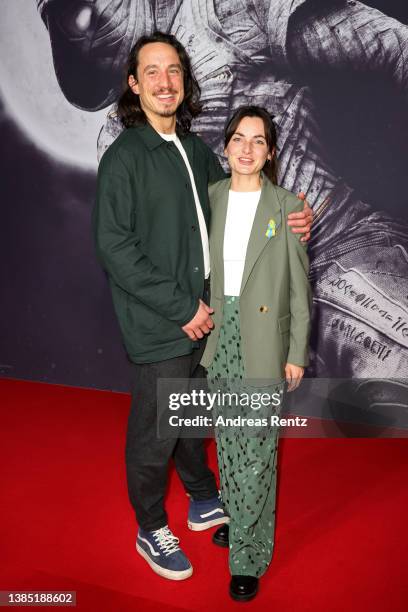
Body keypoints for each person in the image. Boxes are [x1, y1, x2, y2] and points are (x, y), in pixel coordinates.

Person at [93, 32, 312, 581]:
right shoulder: (124, 158)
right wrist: (181, 307)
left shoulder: (194, 151)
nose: (165, 82)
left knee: (193, 417)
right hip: (165, 322)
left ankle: (198, 494)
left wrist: (290, 217)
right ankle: (150, 526)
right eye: (152, 72)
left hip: (207, 322)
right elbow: (114, 247)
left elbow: (242, 204)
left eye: (174, 71)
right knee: (157, 427)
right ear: (133, 83)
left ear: (184, 81)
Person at [201, 106, 311, 601]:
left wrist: (296, 352)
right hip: (219, 333)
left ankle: (248, 552)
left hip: (265, 339)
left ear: (270, 152)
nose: (247, 149)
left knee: (257, 450)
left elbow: (299, 291)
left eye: (259, 140)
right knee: (228, 439)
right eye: (239, 138)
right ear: (226, 146)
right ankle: (236, 510)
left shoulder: (287, 206)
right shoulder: (212, 196)